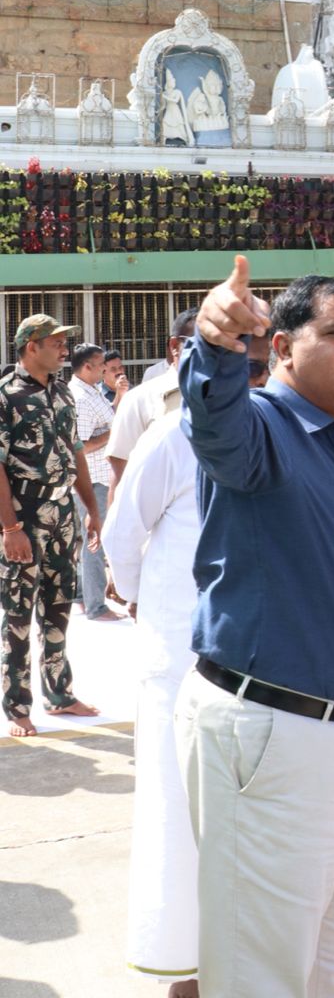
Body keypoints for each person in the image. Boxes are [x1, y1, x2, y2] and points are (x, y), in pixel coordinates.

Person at [174, 261, 334, 998]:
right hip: (278, 733)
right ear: (279, 349)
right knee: (261, 972)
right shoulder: (263, 428)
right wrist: (216, 343)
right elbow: (212, 418)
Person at [103, 333, 271, 998]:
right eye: (236, 368)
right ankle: (184, 967)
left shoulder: (282, 431)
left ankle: (253, 954)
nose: (249, 381)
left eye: (259, 368)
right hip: (180, 657)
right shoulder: (174, 434)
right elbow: (123, 537)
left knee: (257, 818)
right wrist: (157, 609)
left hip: (264, 660)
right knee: (178, 818)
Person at [1, 315, 103, 737]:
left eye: (65, 342)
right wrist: (10, 529)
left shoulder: (62, 392)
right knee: (19, 613)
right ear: (31, 346)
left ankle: (59, 695)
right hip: (24, 515)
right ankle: (17, 706)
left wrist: (92, 509)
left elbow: (75, 451)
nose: (65, 349)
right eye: (56, 342)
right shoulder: (6, 396)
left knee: (59, 608)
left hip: (63, 515)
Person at [108, 309, 198, 496]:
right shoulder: (139, 400)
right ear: (175, 345)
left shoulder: (234, 400)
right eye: (204, 344)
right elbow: (120, 471)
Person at [68, 344, 123, 622]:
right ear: (87, 366)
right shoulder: (80, 397)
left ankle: (81, 596)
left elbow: (106, 420)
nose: (106, 368)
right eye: (102, 364)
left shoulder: (92, 391)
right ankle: (96, 605)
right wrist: (111, 434)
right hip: (93, 480)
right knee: (94, 541)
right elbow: (81, 446)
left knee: (88, 539)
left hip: (101, 477)